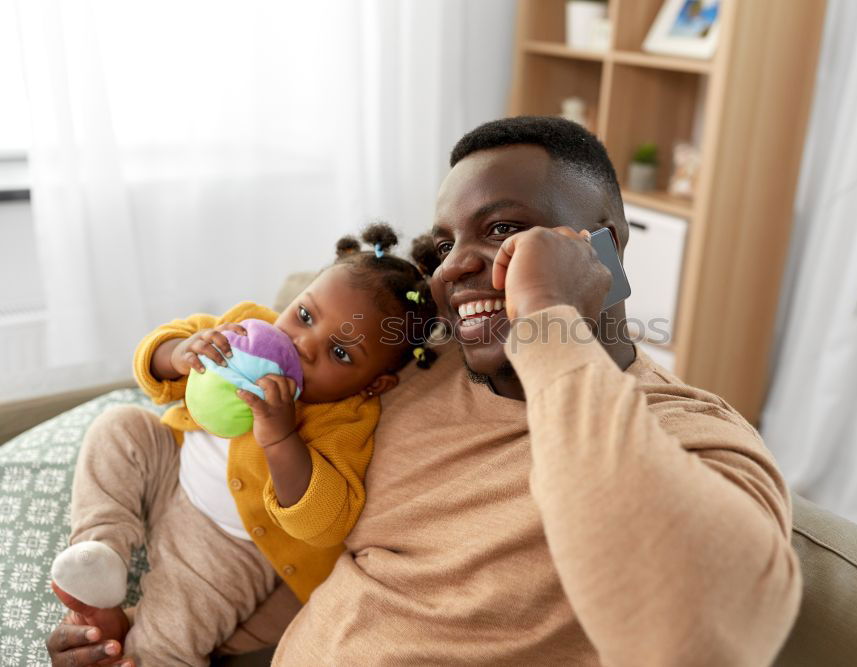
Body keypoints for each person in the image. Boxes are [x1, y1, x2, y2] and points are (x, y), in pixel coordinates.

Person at [49, 116, 801, 665]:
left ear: (605, 242)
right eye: (443, 245)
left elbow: (696, 638)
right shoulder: (405, 371)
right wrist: (130, 636)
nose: (452, 267)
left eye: (502, 229)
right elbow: (267, 524)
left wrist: (545, 320)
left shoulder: (693, 434)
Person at [46, 225, 438, 666]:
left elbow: (322, 521)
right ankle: (101, 556)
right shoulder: (251, 326)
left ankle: (138, 648)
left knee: (168, 631)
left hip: (229, 545)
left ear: (374, 384)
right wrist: (179, 353)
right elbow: (156, 360)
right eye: (305, 316)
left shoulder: (347, 419)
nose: (303, 345)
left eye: (341, 354)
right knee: (120, 426)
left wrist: (282, 437)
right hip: (171, 466)